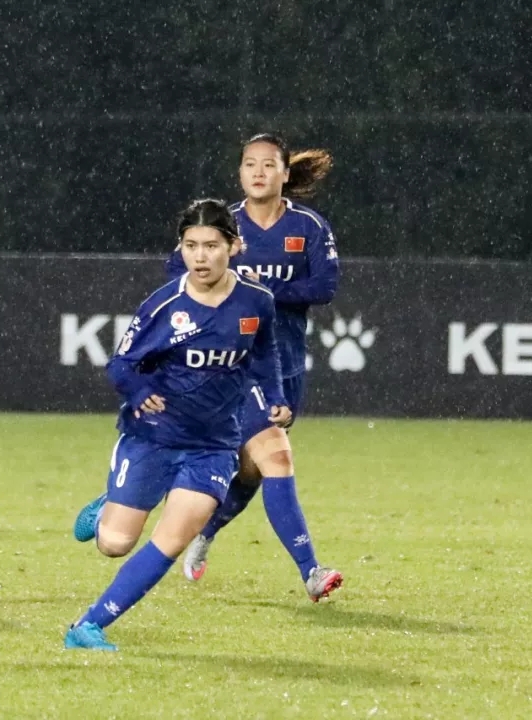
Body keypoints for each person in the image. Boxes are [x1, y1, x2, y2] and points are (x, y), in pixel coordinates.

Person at [66, 199, 287, 651]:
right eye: (191, 246)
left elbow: (265, 354)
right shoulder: (165, 305)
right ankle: (109, 506)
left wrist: (277, 397)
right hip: (154, 436)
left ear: (234, 246)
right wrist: (138, 391)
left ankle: (87, 627)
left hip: (214, 446)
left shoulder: (257, 301)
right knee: (114, 543)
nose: (200, 257)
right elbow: (120, 364)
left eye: (211, 246)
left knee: (171, 540)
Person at [169, 134, 343, 601]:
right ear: (240, 173)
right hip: (232, 366)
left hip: (284, 366)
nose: (259, 172)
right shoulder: (222, 225)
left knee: (252, 470)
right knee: (276, 456)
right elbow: (176, 274)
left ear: (285, 173)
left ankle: (205, 529)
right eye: (250, 164)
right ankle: (312, 572)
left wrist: (262, 290)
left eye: (269, 165)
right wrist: (225, 282)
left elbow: (324, 287)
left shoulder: (308, 226)